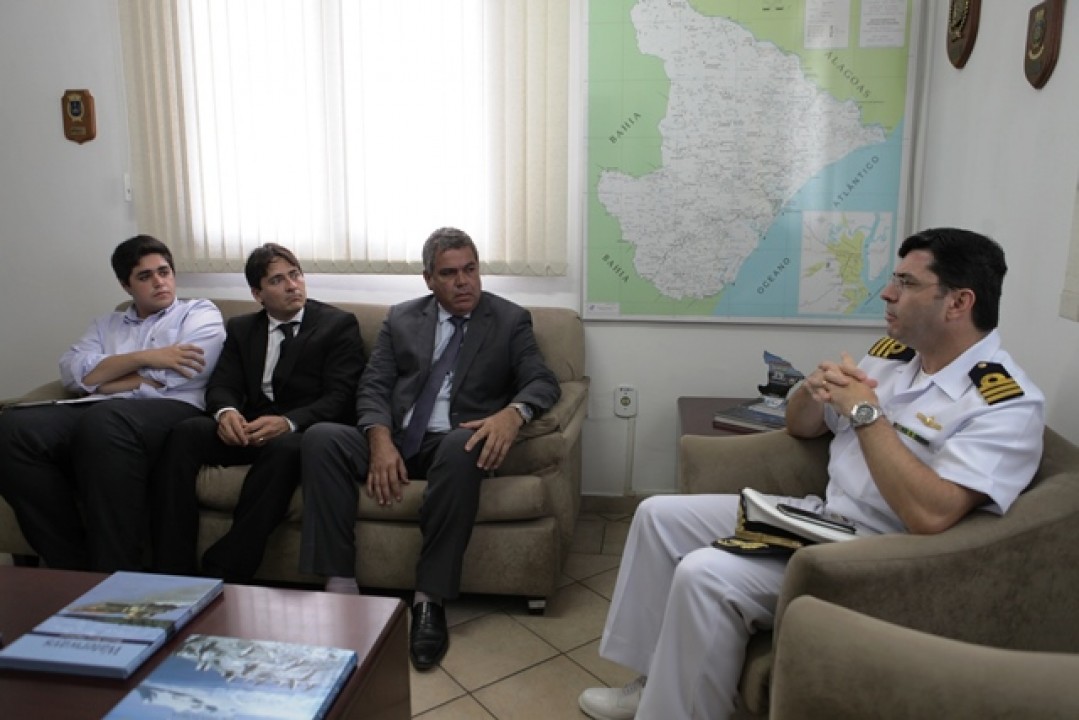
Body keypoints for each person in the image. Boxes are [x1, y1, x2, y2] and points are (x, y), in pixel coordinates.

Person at [579, 227, 1046, 720]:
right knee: (657, 515)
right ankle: (652, 682)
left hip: (878, 554)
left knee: (704, 574)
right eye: (893, 279)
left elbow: (931, 514)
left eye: (907, 283)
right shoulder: (895, 356)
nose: (887, 293)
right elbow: (801, 427)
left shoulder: (1006, 405)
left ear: (958, 302)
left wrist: (866, 413)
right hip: (823, 518)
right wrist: (811, 389)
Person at [300, 226, 561, 670]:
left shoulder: (510, 320)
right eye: (449, 273)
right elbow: (374, 386)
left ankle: (428, 599)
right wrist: (379, 439)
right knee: (321, 438)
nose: (463, 282)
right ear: (428, 279)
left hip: (453, 441)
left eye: (470, 270)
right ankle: (341, 590)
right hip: (398, 436)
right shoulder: (401, 318)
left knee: (464, 445)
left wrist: (512, 413)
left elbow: (542, 380)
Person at [0, 235, 226, 572]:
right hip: (102, 411)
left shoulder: (199, 312)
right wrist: (147, 357)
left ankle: (116, 571)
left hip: (172, 409)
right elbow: (72, 373)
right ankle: (70, 567)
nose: (159, 282)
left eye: (164, 272)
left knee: (105, 420)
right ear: (126, 285)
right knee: (12, 429)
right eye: (145, 276)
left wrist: (103, 378)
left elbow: (180, 374)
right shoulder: (107, 324)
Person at [150, 243, 365, 581]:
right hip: (250, 427)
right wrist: (226, 412)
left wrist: (288, 422)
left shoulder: (337, 325)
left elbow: (340, 397)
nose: (292, 286)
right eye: (277, 280)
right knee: (186, 433)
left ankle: (226, 567)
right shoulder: (242, 329)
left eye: (295, 275)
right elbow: (222, 384)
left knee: (286, 450)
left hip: (302, 431)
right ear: (257, 294)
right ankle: (171, 568)